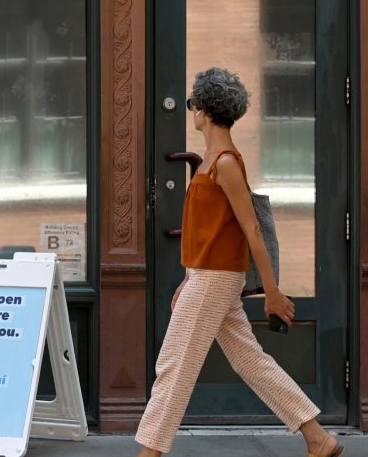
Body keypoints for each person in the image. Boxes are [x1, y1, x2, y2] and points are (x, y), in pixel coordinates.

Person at [134, 68, 344, 457]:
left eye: (192, 102)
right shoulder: (211, 160)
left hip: (216, 279)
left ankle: (149, 454)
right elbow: (210, 232)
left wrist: (273, 292)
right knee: (250, 361)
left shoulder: (225, 163)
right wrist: (189, 276)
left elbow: (253, 231)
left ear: (206, 109)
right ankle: (318, 438)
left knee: (173, 364)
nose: (190, 109)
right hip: (208, 276)